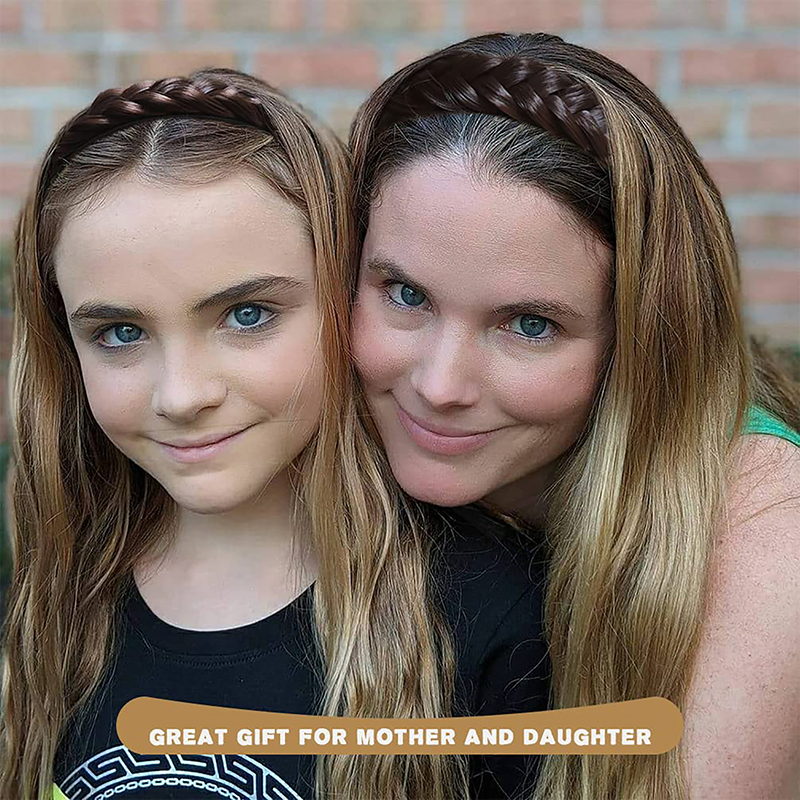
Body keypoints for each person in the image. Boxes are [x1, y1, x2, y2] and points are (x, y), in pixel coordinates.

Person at [0, 69, 548, 800]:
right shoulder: (61, 594)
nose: (182, 395)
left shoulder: (489, 612)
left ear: (346, 300)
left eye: (247, 315)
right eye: (121, 332)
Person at [349, 32, 800, 800]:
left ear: (643, 340)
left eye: (529, 325)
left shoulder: (766, 528)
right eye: (406, 294)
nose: (440, 384)